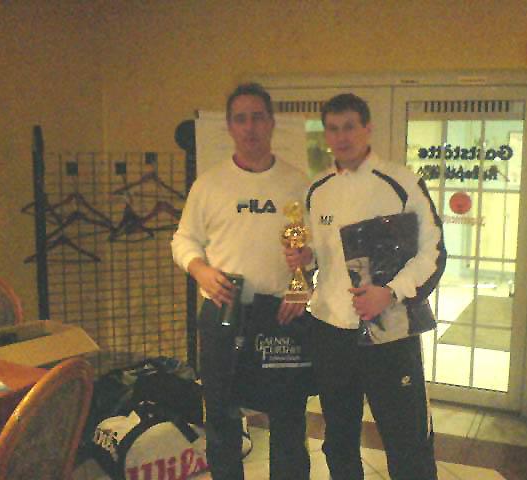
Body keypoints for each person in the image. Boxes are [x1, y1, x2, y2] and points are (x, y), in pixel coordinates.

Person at [285, 93, 445, 479]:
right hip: (331, 332)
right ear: (326, 134)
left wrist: (389, 292)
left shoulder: (402, 182)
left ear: (367, 128)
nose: (342, 137)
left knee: (406, 440)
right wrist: (306, 258)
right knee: (339, 439)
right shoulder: (316, 189)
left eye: (350, 127)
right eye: (333, 129)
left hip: (389, 332)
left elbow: (434, 252)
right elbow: (320, 257)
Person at [171, 83, 310, 480]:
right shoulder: (209, 185)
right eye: (241, 119)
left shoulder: (297, 184)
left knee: (288, 417)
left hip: (282, 314)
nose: (250, 127)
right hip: (223, 312)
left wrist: (301, 284)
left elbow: (312, 248)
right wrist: (200, 269)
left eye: (258, 117)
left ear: (272, 123)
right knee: (221, 415)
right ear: (230, 127)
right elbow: (183, 239)